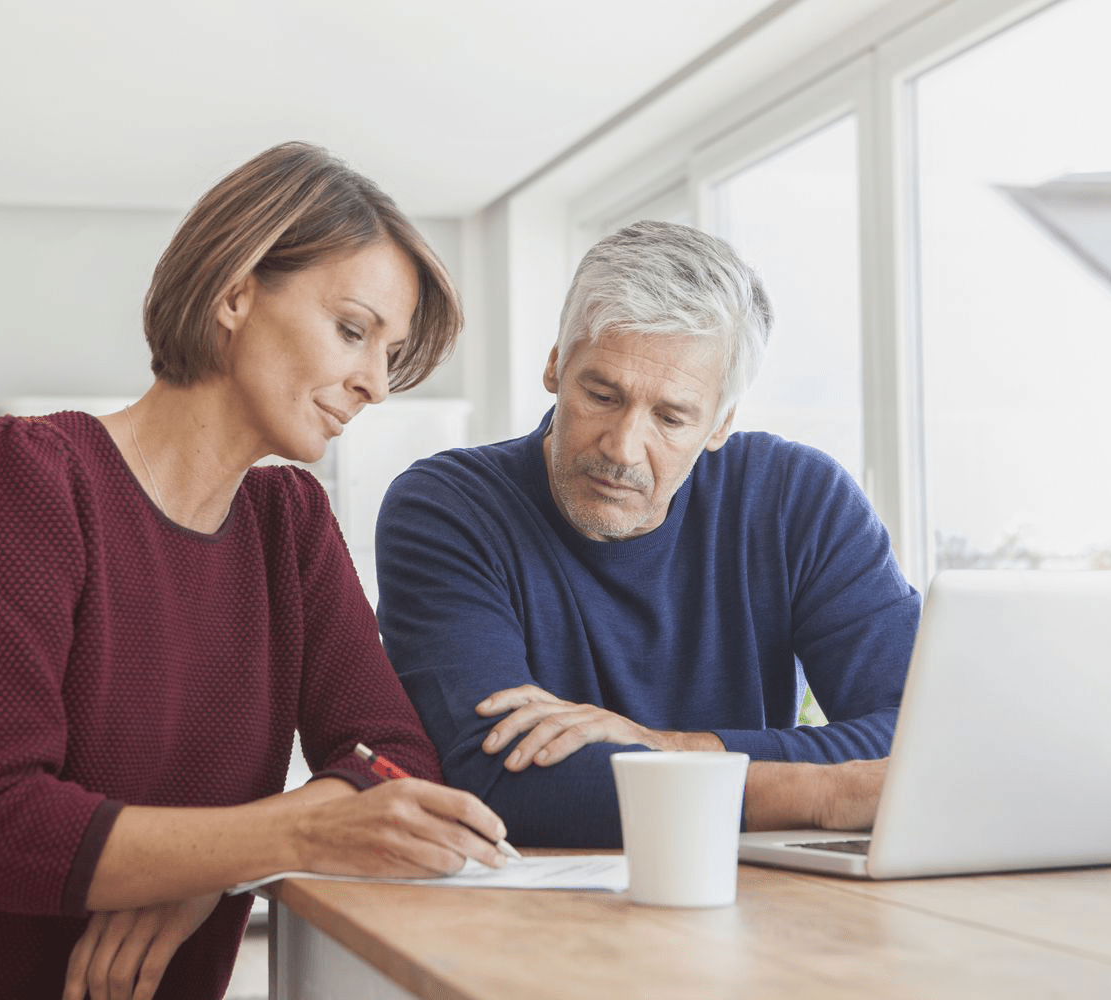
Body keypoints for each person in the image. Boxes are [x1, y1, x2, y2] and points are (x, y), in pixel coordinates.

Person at [0, 142, 511, 1000]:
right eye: (354, 331)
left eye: (389, 353)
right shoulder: (28, 476)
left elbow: (397, 758)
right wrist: (278, 837)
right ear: (237, 292)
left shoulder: (291, 526)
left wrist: (210, 866)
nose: (377, 386)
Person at [375, 220, 920, 848]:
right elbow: (499, 777)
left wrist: (673, 746)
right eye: (602, 395)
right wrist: (822, 794)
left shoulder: (798, 499)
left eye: (671, 417)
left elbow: (919, 735)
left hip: (755, 893)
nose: (623, 448)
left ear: (720, 423)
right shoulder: (449, 508)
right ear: (556, 364)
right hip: (533, 916)